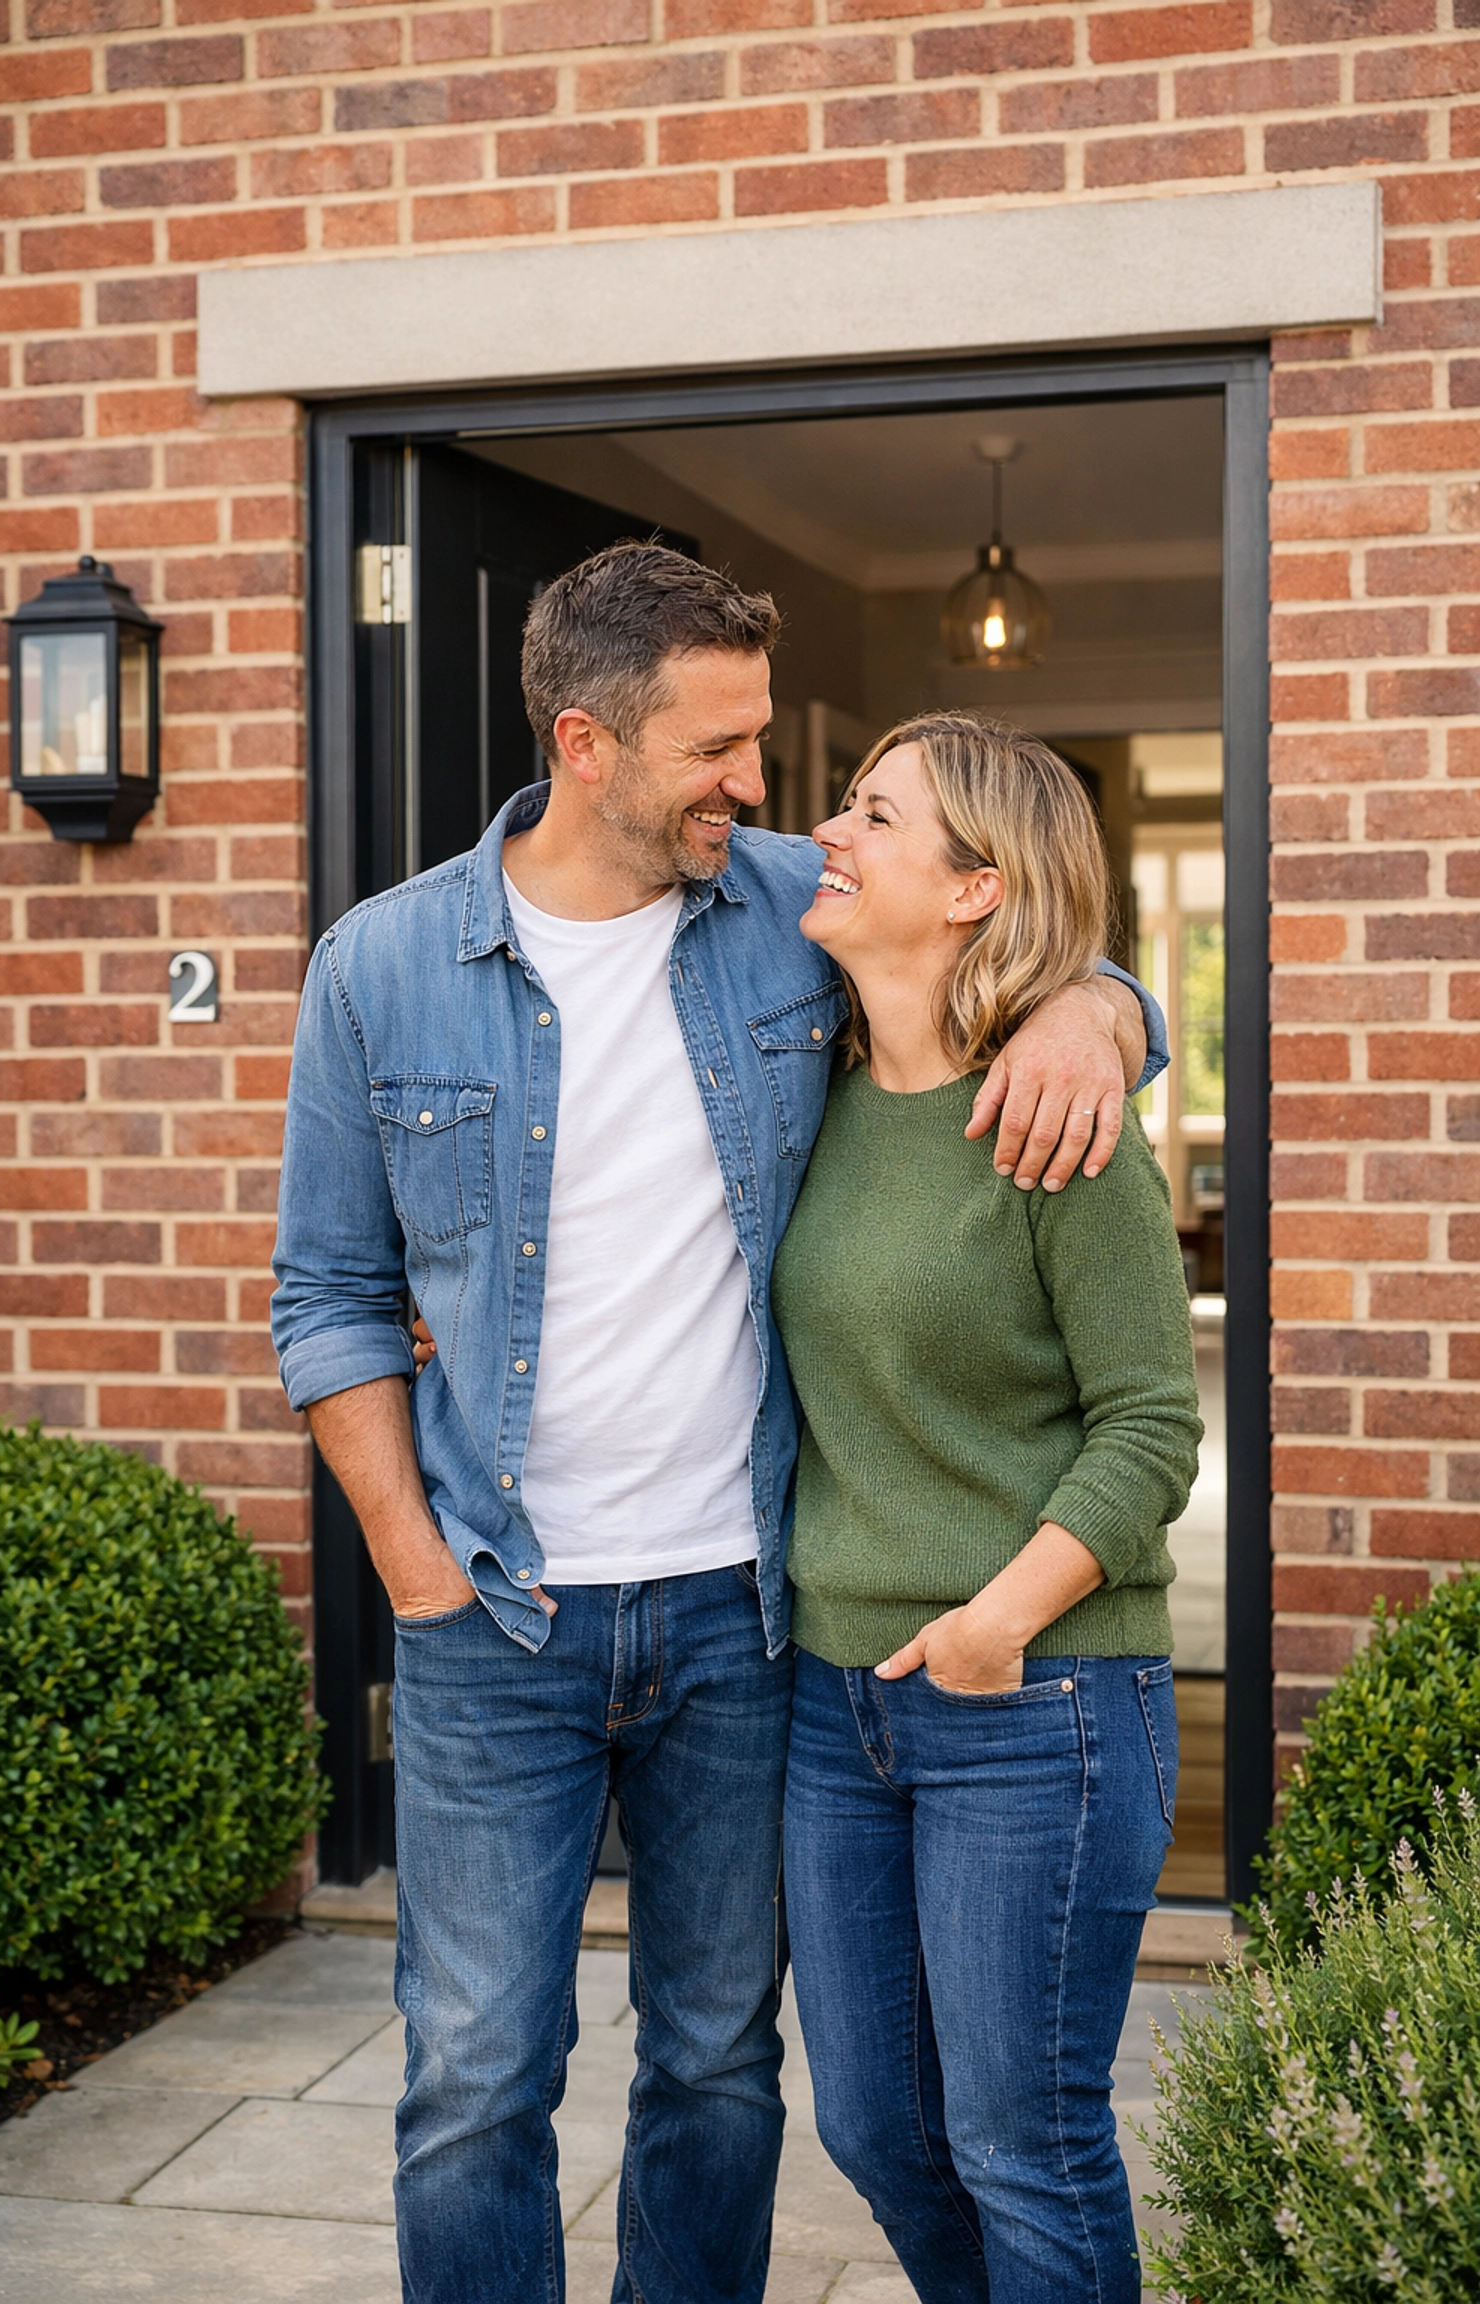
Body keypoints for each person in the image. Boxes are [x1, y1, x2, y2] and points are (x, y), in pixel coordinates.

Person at [270, 546, 1167, 2304]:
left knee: (718, 2067)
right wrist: (411, 1564)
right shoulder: (380, 972)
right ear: (588, 744)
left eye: (768, 748)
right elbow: (327, 1297)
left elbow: (1002, 941)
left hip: (743, 1618)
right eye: (722, 748)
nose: (760, 789)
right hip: (497, 1612)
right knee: (472, 2084)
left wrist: (1104, 1007)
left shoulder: (782, 911)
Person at [771, 711, 1202, 2304]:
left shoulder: (1059, 1123)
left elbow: (1154, 1427)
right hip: (836, 1705)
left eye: (875, 814)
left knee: (1025, 2138)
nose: (828, 828)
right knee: (882, 2129)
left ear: (972, 889)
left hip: (1041, 1694)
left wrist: (995, 1623)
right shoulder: (802, 1082)